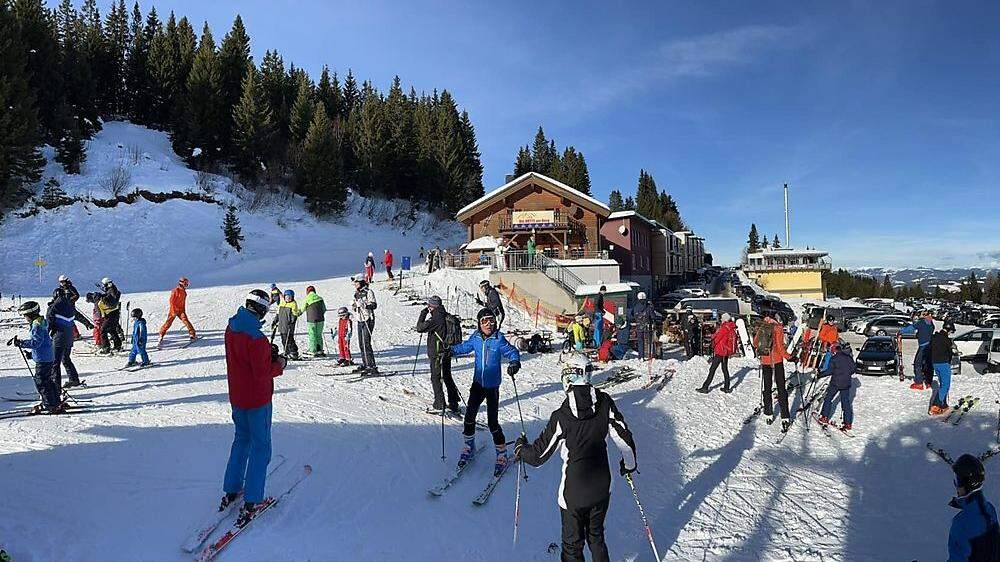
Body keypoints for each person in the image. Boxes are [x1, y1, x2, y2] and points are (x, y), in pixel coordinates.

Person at [514, 352, 637, 562]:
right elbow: (625, 440)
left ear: (568, 377)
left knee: (572, 546)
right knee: (596, 538)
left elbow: (537, 456)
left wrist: (520, 449)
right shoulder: (605, 402)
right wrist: (629, 465)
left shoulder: (561, 416)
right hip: (602, 487)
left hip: (573, 492)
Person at [221, 289, 287, 526]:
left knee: (241, 440)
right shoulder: (257, 338)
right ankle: (252, 500)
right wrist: (278, 363)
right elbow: (262, 374)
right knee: (261, 447)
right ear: (260, 309)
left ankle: (231, 488)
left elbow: (242, 358)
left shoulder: (232, 327)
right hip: (257, 400)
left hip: (237, 397)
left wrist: (266, 355)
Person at [450, 308, 521, 476]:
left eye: (491, 320)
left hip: (492, 387)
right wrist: (450, 350)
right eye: (484, 321)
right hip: (477, 385)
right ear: (479, 324)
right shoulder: (475, 338)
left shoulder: (499, 339)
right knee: (469, 417)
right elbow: (465, 347)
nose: (489, 324)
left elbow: (512, 352)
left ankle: (502, 454)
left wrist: (514, 362)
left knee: (492, 423)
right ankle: (469, 446)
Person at [10, 301, 62, 414]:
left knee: (41, 382)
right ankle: (55, 402)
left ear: (31, 314)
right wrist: (31, 354)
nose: (25, 318)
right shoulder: (41, 322)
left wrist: (21, 343)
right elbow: (42, 342)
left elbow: (36, 343)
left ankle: (50, 405)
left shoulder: (37, 325)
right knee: (47, 380)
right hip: (47, 356)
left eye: (25, 316)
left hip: (43, 358)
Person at [947, 453, 1000, 561]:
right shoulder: (989, 509)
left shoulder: (961, 523)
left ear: (967, 484)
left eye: (958, 480)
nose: (956, 485)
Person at [414, 295, 460, 414]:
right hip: (447, 351)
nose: (428, 307)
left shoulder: (435, 318)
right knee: (447, 376)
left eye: (429, 305)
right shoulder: (444, 314)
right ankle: (454, 402)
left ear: (432, 306)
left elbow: (419, 327)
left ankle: (439, 404)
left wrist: (423, 313)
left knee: (436, 377)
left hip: (437, 353)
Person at [754, 311, 792, 432]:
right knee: (781, 388)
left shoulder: (762, 326)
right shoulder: (778, 328)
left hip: (765, 361)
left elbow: (755, 343)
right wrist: (790, 357)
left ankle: (768, 414)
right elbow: (780, 348)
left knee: (767, 387)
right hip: (777, 361)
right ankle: (785, 416)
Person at [46, 287, 83, 389]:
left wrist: (45, 336)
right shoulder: (70, 306)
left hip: (58, 338)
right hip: (69, 337)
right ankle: (74, 379)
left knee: (55, 363)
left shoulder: (53, 307)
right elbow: (78, 316)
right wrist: (87, 323)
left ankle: (55, 387)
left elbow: (48, 323)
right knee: (66, 358)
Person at [816, 341, 857, 433]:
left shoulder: (834, 359)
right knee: (846, 402)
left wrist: (819, 375)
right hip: (846, 383)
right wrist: (846, 373)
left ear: (834, 350)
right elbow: (853, 369)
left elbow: (829, 371)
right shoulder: (849, 358)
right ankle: (848, 423)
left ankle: (824, 417)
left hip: (835, 383)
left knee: (828, 398)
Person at [697, 313, 737, 394]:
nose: (721, 319)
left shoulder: (724, 327)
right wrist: (712, 336)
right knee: (725, 369)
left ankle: (705, 387)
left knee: (712, 369)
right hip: (725, 352)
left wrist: (711, 343)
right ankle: (727, 387)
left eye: (722, 318)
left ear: (725, 319)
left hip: (720, 352)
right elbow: (718, 335)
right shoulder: (730, 326)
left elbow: (718, 337)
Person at [901, 311, 936, 390]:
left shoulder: (921, 322)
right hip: (930, 346)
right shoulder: (931, 324)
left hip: (923, 346)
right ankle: (928, 382)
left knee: (917, 363)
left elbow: (911, 328)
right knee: (928, 364)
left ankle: (919, 382)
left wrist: (901, 331)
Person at [158, 277, 197, 347]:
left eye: (187, 284)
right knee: (168, 323)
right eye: (185, 284)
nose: (186, 285)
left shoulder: (184, 292)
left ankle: (192, 334)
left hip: (181, 310)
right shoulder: (175, 290)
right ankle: (161, 334)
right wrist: (173, 311)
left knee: (186, 321)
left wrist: (183, 310)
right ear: (181, 283)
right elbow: (171, 301)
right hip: (174, 310)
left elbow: (183, 302)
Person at [929, 321, 957, 416]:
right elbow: (950, 352)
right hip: (944, 363)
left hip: (935, 363)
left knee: (942, 385)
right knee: (945, 385)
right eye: (951, 331)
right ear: (949, 329)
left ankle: (943, 404)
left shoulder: (935, 337)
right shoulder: (947, 340)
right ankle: (935, 405)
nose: (950, 333)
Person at [352, 278, 378, 375]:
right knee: (361, 343)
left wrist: (364, 305)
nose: (355, 284)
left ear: (361, 282)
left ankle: (371, 365)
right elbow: (355, 307)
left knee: (366, 342)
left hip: (368, 319)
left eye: (356, 283)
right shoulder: (356, 293)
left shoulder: (369, 292)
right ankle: (365, 362)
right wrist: (355, 306)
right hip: (360, 319)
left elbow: (374, 305)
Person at [272, 289, 302, 360]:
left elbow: (294, 314)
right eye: (286, 297)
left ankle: (294, 352)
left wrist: (292, 320)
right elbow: (278, 313)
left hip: (289, 326)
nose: (288, 299)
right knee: (283, 340)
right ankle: (287, 352)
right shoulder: (282, 303)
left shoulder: (293, 304)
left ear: (292, 297)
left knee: (289, 340)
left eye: (289, 297)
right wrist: (275, 321)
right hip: (282, 325)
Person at [98, 277, 124, 353]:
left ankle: (106, 348)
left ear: (107, 284)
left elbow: (112, 304)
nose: (103, 286)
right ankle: (118, 345)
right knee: (111, 330)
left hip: (111, 314)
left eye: (104, 285)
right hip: (114, 313)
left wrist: (103, 299)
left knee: (103, 330)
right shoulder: (112, 289)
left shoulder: (112, 291)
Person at [631, 292, 658, 359]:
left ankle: (641, 356)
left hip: (639, 326)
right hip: (647, 327)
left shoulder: (635, 306)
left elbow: (632, 315)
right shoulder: (648, 307)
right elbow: (653, 316)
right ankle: (649, 355)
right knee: (649, 341)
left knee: (640, 342)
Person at [301, 286, 327, 357]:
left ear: (307, 292)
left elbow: (302, 309)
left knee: (312, 334)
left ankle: (312, 350)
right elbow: (324, 309)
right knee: (319, 334)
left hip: (311, 320)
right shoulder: (320, 298)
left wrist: (298, 313)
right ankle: (320, 349)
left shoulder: (307, 298)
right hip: (321, 319)